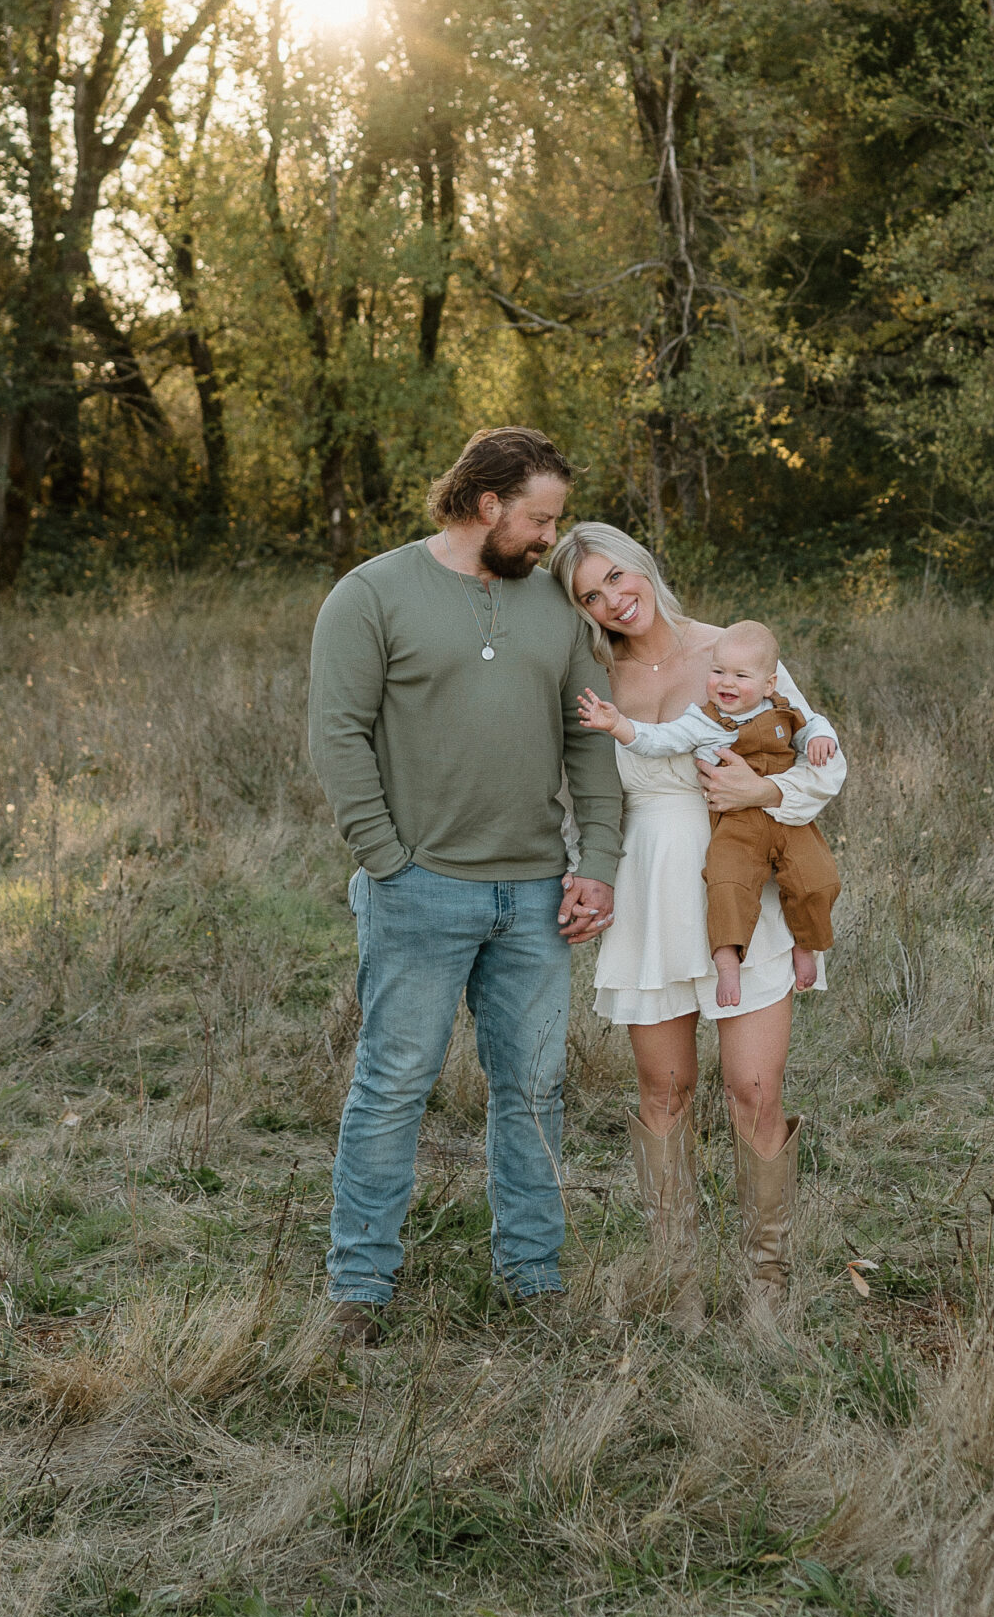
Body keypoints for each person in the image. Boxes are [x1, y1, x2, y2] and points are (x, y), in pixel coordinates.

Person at [307, 427, 622, 1342]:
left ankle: (532, 1277)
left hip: (534, 894)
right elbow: (338, 735)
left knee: (533, 1092)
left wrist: (593, 864)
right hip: (418, 889)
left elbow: (587, 744)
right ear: (487, 506)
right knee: (392, 1084)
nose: (549, 539)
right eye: (538, 519)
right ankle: (359, 1289)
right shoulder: (370, 595)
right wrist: (383, 857)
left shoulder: (555, 608)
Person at [548, 524, 846, 1330]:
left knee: (752, 1087)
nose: (614, 598)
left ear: (641, 564)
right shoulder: (589, 676)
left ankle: (765, 1287)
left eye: (617, 576)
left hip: (737, 878)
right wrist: (587, 874)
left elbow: (820, 761)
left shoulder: (733, 649)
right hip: (645, 888)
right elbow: (582, 792)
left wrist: (762, 797)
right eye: (591, 594)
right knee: (662, 1089)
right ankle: (675, 1278)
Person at [576, 617, 841, 1009]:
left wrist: (821, 736)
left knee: (816, 879)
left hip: (785, 819)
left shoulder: (782, 709)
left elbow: (813, 726)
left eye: (740, 676)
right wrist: (619, 725)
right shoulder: (702, 720)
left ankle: (806, 943)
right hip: (736, 824)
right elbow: (657, 740)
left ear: (769, 684)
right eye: (717, 672)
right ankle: (728, 959)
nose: (727, 683)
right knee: (727, 885)